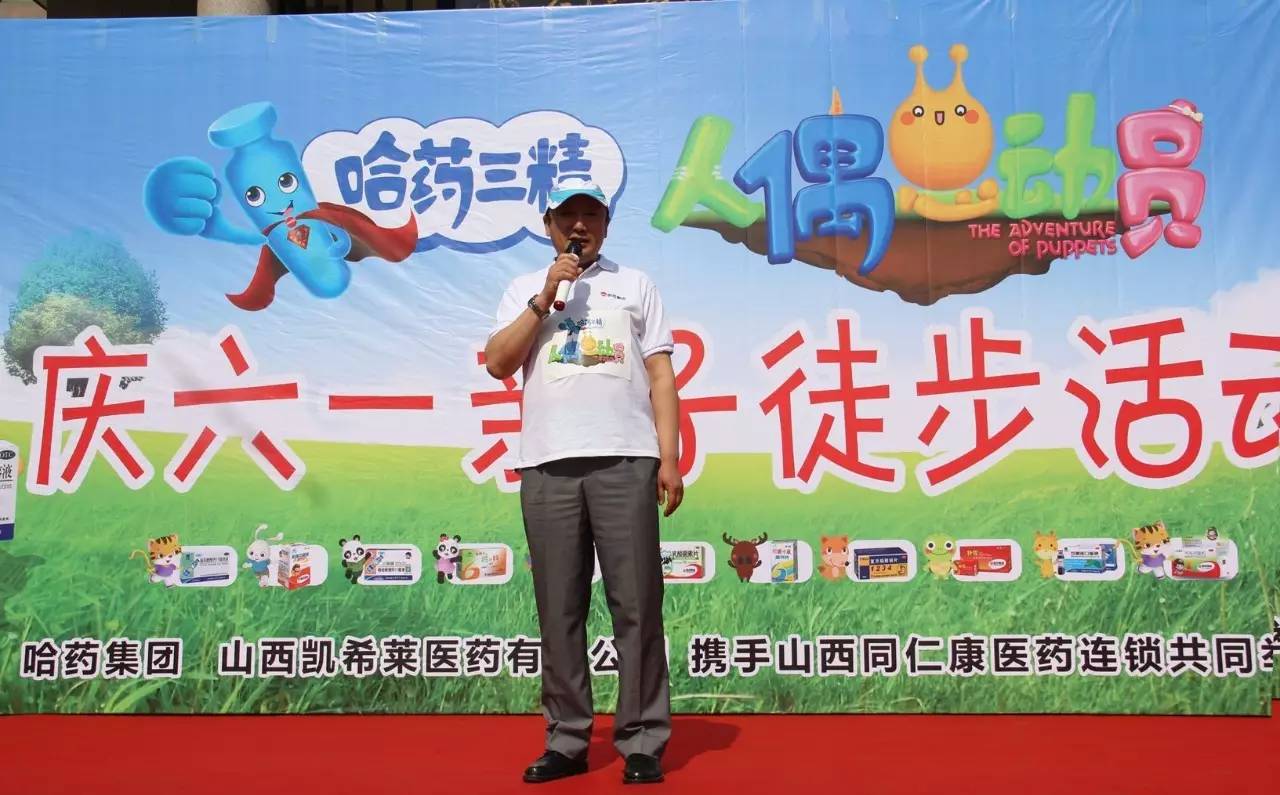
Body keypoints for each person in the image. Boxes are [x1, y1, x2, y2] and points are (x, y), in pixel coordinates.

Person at [484, 177, 683, 785]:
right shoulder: (525, 287)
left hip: (626, 459)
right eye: (567, 215)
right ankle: (567, 740)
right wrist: (545, 296)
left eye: (590, 214)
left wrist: (669, 457)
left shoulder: (635, 285)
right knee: (559, 608)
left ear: (606, 224)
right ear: (548, 225)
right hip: (549, 463)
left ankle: (642, 739)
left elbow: (661, 376)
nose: (579, 225)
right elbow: (497, 363)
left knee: (637, 605)